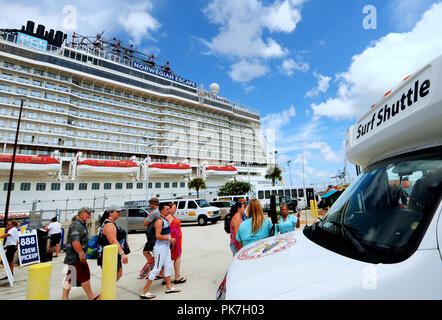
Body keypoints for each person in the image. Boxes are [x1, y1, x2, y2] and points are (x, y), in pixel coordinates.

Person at [139, 202, 180, 299]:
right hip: (160, 248)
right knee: (157, 268)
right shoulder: (159, 221)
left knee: (168, 266)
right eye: (166, 209)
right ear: (161, 210)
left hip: (165, 247)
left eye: (168, 209)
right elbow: (158, 236)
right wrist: (169, 239)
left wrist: (169, 241)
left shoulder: (165, 219)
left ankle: (169, 287)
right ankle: (144, 291)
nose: (168, 210)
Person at [62, 207, 100, 300]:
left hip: (74, 257)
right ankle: (91, 296)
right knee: (84, 274)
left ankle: (64, 297)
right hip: (76, 257)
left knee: (70, 277)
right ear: (81, 214)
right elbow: (75, 242)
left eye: (90, 213)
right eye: (88, 213)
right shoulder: (77, 225)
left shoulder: (81, 224)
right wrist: (81, 254)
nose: (90, 215)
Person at [97, 205, 129, 282]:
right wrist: (122, 254)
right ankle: (105, 293)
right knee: (113, 274)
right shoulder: (109, 224)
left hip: (112, 253)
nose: (119, 213)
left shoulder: (111, 223)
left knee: (116, 273)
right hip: (110, 254)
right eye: (117, 212)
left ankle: (107, 292)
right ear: (110, 213)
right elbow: (113, 241)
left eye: (119, 212)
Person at [160, 202, 186, 284]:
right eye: (173, 208)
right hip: (173, 241)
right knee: (176, 257)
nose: (175, 209)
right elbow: (166, 227)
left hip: (175, 240)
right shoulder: (169, 216)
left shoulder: (169, 216)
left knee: (169, 258)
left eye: (175, 208)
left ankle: (165, 277)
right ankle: (177, 277)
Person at [142, 198, 160, 262]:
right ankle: (156, 267)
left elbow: (145, 223)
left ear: (153, 204)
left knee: (146, 252)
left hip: (152, 236)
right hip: (154, 235)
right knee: (152, 252)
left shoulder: (154, 212)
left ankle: (154, 267)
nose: (149, 205)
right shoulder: (159, 211)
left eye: (150, 203)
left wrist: (149, 214)